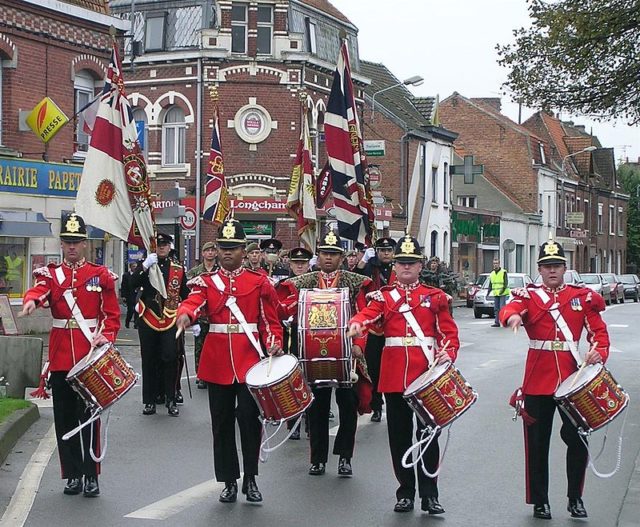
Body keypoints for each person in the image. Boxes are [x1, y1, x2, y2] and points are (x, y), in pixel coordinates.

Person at [349, 235, 459, 515]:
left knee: (428, 436)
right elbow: (369, 315)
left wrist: (448, 353)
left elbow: (447, 333)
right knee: (399, 436)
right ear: (395, 267)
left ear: (420, 266)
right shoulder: (384, 297)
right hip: (395, 375)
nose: (406, 267)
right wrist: (356, 324)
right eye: (401, 263)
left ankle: (430, 494)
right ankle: (405, 492)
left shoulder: (434, 298)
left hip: (426, 376)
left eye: (411, 263)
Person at [499, 239, 610, 520]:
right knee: (537, 443)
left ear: (565, 268)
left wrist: (600, 351)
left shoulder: (580, 297)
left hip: (573, 380)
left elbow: (598, 332)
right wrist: (511, 319)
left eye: (557, 266)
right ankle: (540, 500)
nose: (552, 272)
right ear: (539, 269)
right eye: (547, 267)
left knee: (577, 439)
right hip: (538, 378)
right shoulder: (529, 295)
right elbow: (510, 309)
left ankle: (575, 498)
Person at [176, 219, 283, 504]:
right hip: (217, 360)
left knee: (249, 418)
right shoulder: (206, 282)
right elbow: (195, 302)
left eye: (233, 248)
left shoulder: (258, 282)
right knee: (221, 423)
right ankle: (228, 480)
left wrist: (273, 342)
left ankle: (251, 477)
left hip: (250, 360)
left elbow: (269, 320)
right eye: (223, 248)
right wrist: (185, 314)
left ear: (243, 252)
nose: (226, 253)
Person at [20, 212, 120, 497]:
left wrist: (107, 335)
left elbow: (111, 316)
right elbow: (40, 292)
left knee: (89, 418)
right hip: (62, 356)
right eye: (67, 241)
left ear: (85, 243)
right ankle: (73, 475)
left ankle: (92, 475)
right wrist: (30, 302)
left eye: (76, 241)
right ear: (61, 244)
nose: (72, 246)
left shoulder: (99, 275)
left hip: (89, 357)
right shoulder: (51, 275)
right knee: (64, 418)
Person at [279, 228, 373, 477]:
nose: (329, 258)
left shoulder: (354, 282)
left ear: (341, 258)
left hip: (345, 355)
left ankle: (345, 457)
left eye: (334, 254)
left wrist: (358, 346)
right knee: (317, 408)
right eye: (324, 253)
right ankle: (317, 459)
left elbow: (363, 316)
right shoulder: (304, 283)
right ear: (318, 256)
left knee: (347, 406)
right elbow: (287, 309)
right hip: (313, 354)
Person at [131, 232, 189, 417]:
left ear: (170, 246)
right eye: (158, 244)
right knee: (149, 359)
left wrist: (188, 315)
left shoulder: (178, 269)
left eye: (165, 244)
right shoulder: (146, 265)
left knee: (170, 358)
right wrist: (144, 266)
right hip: (149, 317)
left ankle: (171, 399)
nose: (161, 247)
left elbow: (185, 294)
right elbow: (131, 284)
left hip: (170, 318)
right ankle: (149, 401)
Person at [357, 237, 397, 423]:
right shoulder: (370, 268)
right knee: (373, 367)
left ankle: (393, 402)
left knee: (390, 367)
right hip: (372, 324)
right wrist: (364, 260)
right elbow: (355, 277)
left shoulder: (399, 269)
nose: (386, 253)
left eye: (389, 250)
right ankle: (376, 406)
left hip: (392, 323)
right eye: (382, 250)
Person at [275, 246, 313, 440]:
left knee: (311, 378)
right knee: (293, 380)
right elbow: (275, 310)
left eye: (303, 263)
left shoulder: (315, 284)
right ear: (290, 264)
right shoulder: (283, 285)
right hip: (291, 335)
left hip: (312, 337)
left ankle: (310, 421)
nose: (300, 266)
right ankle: (294, 422)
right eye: (296, 263)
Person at [187, 241, 219, 389]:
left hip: (216, 314)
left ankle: (214, 374)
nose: (210, 253)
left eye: (213, 250)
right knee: (200, 347)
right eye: (208, 251)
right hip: (201, 316)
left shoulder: (220, 270)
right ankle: (200, 375)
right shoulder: (195, 271)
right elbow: (189, 293)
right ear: (203, 254)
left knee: (216, 347)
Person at [489, 257, 509, 327]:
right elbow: (490, 284)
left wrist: (502, 290)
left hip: (502, 293)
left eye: (496, 263)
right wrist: (488, 293)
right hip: (496, 293)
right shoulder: (492, 273)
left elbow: (506, 283)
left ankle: (504, 321)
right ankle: (496, 322)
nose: (495, 265)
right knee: (496, 309)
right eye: (494, 263)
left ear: (499, 264)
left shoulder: (503, 272)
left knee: (502, 308)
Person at [120, 262, 139, 329]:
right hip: (129, 295)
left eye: (136, 266)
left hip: (137, 295)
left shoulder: (138, 274)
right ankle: (127, 322)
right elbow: (123, 286)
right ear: (130, 267)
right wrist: (123, 296)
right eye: (133, 266)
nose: (135, 268)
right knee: (130, 310)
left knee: (137, 310)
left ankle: (136, 324)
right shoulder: (126, 275)